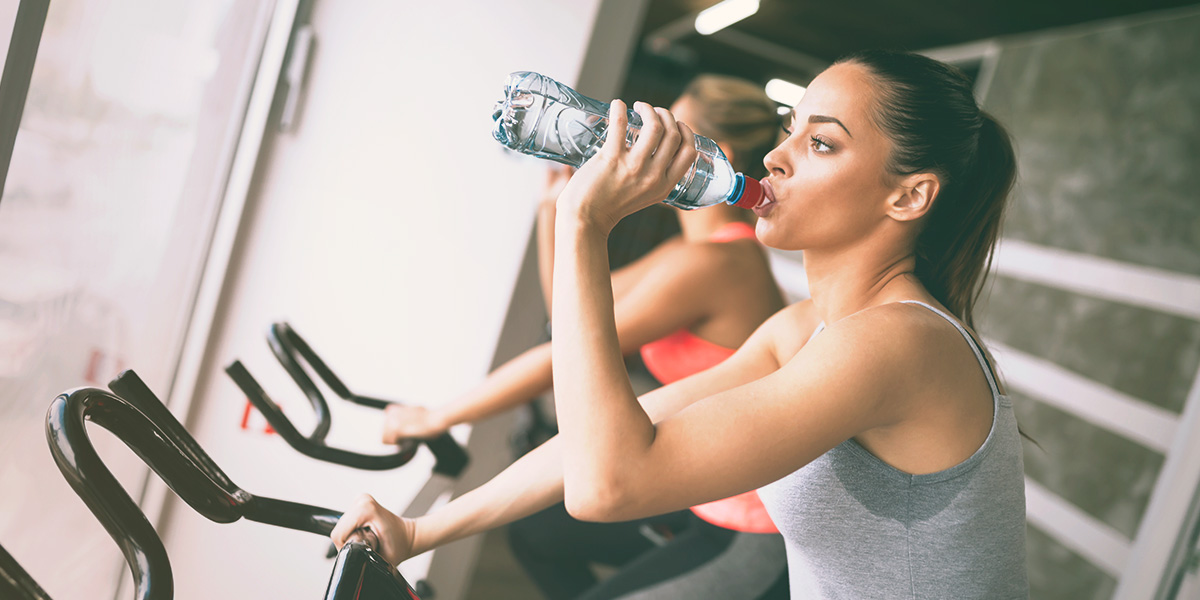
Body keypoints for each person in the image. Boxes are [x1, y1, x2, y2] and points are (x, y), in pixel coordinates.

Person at [334, 49, 1027, 599]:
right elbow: (601, 442)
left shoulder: (899, 343)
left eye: (822, 144)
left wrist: (583, 223)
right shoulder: (806, 328)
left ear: (909, 195)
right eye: (790, 129)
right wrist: (421, 529)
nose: (777, 156)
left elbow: (609, 485)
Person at [382, 74, 790, 599]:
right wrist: (555, 211)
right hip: (697, 489)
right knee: (538, 533)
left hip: (746, 518)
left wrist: (438, 416)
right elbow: (574, 321)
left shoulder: (720, 263)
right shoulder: (686, 255)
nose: (645, 143)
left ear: (713, 154)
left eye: (668, 134)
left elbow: (561, 354)